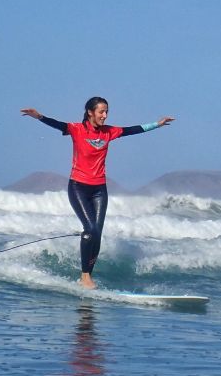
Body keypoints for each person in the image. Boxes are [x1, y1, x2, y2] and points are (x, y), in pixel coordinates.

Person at [20, 97, 174, 289]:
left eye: (107, 111)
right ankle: (85, 277)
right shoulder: (77, 129)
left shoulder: (108, 132)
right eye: (101, 111)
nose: (105, 115)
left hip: (99, 189)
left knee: (97, 233)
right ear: (90, 112)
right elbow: (58, 124)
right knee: (90, 229)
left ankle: (87, 277)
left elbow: (132, 130)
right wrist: (39, 117)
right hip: (78, 187)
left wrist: (156, 125)